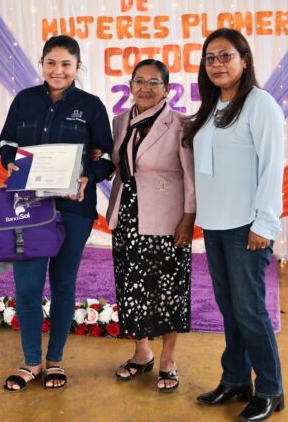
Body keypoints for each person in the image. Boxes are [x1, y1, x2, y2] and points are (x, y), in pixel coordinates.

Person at [0, 35, 114, 392]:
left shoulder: (91, 106)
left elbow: (108, 157)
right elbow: (7, 141)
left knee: (63, 284)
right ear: (42, 64)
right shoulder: (24, 100)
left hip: (74, 208)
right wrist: (9, 161)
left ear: (77, 67)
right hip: (28, 206)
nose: (58, 70)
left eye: (66, 63)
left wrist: (88, 175)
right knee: (28, 286)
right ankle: (31, 361)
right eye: (51, 62)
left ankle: (55, 361)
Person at [183, 29, 286, 421]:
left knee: (250, 309)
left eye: (225, 55)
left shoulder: (260, 105)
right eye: (210, 58)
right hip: (215, 223)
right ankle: (236, 379)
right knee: (230, 307)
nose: (217, 64)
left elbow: (272, 167)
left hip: (247, 225)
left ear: (244, 58)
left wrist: (265, 223)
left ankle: (271, 389)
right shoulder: (212, 107)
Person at [106, 59, 196, 393]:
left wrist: (189, 217)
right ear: (130, 86)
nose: (145, 88)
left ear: (167, 89)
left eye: (154, 82)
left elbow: (190, 175)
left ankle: (168, 359)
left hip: (166, 218)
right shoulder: (120, 121)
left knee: (167, 289)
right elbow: (114, 165)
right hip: (127, 214)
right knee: (133, 286)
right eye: (139, 81)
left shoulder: (181, 124)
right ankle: (141, 352)